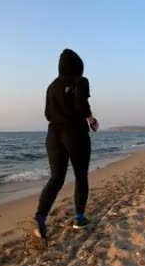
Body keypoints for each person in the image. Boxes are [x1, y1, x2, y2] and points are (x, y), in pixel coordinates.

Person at [32, 49, 98, 243]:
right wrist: (91, 119)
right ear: (79, 66)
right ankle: (79, 218)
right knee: (80, 174)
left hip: (53, 134)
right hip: (75, 132)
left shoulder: (51, 86)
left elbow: (47, 113)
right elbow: (80, 105)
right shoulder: (81, 81)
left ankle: (40, 218)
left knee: (56, 178)